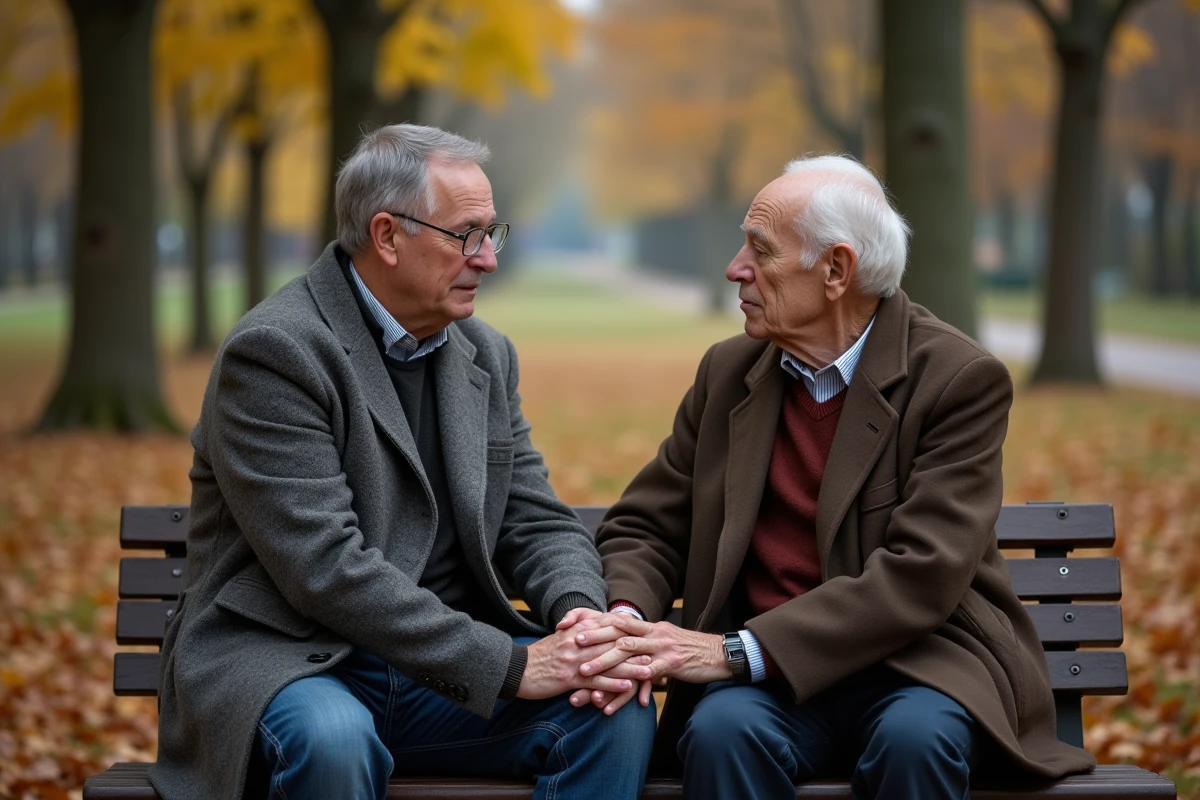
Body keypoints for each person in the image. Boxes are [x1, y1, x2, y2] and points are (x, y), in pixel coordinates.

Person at [149, 124, 656, 800]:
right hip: (293, 662)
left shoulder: (484, 353)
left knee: (612, 712)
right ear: (387, 236)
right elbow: (325, 569)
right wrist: (505, 666)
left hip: (435, 677)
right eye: (466, 235)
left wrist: (582, 621)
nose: (487, 259)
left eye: (491, 233)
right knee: (333, 741)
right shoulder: (278, 352)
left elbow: (534, 519)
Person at [573, 155, 1096, 799]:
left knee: (916, 742)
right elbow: (648, 525)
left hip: (919, 668)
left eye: (759, 250)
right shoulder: (729, 372)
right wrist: (627, 618)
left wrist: (735, 652)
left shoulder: (957, 378)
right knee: (720, 734)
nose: (735, 268)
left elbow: (922, 573)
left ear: (836, 270)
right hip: (769, 687)